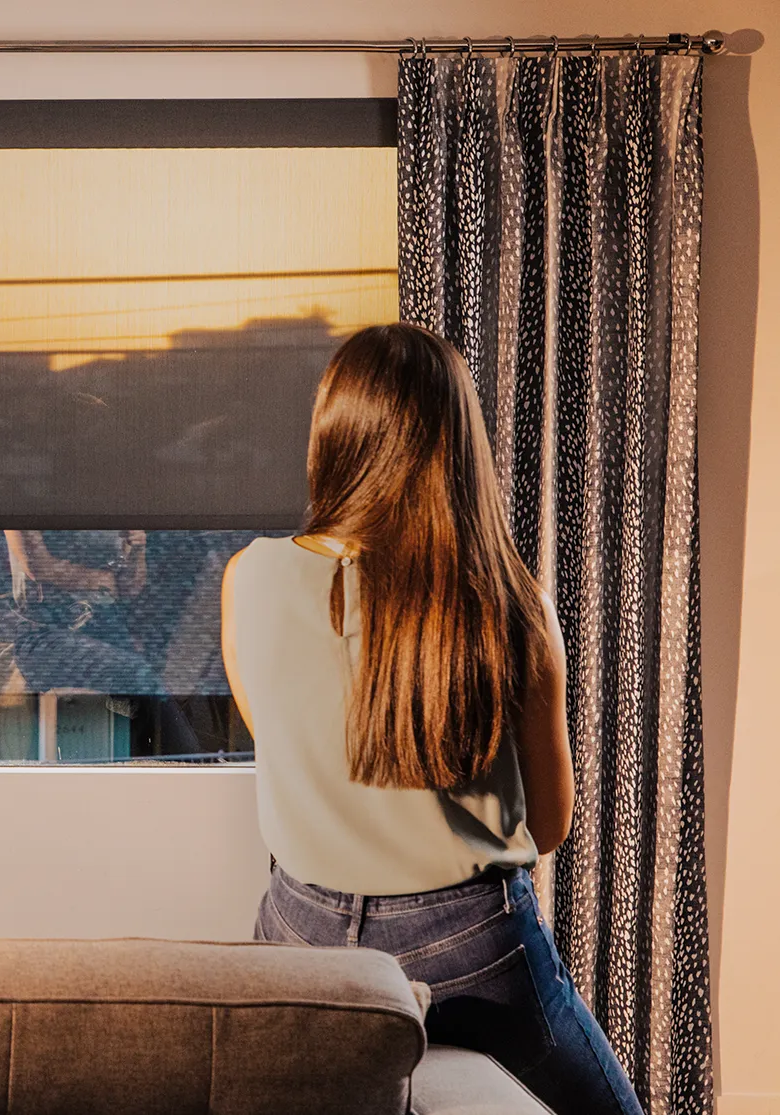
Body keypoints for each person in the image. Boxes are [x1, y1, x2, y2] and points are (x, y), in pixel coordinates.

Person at [220, 323, 643, 1115]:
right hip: (470, 948)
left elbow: (276, 736)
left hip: (302, 939)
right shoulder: (512, 603)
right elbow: (549, 823)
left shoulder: (249, 575)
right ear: (456, 442)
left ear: (334, 434)